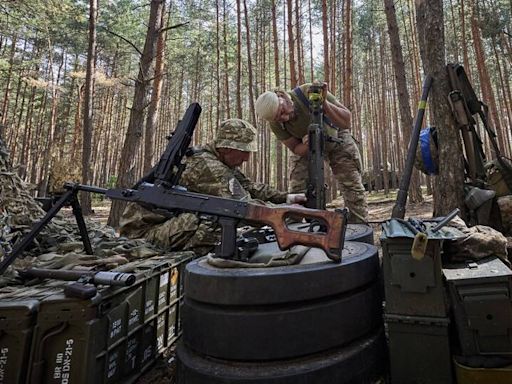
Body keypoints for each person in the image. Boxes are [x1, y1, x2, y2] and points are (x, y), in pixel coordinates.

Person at [119, 118, 305, 255]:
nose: (247, 158)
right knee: (212, 217)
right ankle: (195, 256)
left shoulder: (217, 159)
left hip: (164, 224)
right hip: (143, 234)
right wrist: (285, 212)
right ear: (226, 148)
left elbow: (248, 186)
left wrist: (286, 198)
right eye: (243, 151)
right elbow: (243, 207)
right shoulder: (207, 165)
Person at [255, 82, 368, 223]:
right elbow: (295, 148)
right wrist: (308, 143)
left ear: (281, 96)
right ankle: (293, 229)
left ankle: (359, 225)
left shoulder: (306, 92)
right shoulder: (275, 123)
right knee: (296, 190)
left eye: (282, 111)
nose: (284, 118)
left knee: (352, 186)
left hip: (336, 136)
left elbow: (346, 121)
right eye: (278, 118)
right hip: (307, 147)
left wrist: (324, 103)